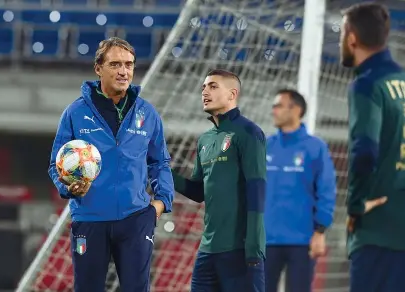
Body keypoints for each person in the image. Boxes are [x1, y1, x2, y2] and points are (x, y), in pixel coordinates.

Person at [47, 37, 174, 292]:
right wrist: (68, 187)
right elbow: (55, 165)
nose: (124, 71)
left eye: (129, 65)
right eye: (115, 64)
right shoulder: (75, 113)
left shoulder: (147, 113)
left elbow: (160, 162)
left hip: (136, 219)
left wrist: (161, 203)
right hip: (90, 218)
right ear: (98, 68)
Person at [339, 3, 405, 292]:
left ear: (352, 39)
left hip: (380, 232)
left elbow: (365, 151)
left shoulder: (368, 85)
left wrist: (356, 206)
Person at [172, 69, 266, 292]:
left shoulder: (248, 132)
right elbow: (197, 192)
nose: (205, 91)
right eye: (204, 87)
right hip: (207, 250)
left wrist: (253, 245)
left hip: (240, 249)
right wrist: (160, 173)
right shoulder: (205, 139)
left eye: (213, 86)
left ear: (232, 94)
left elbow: (257, 189)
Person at [264, 89, 337, 292]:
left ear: (296, 110)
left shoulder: (316, 148)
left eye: (278, 105)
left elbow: (326, 190)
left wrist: (320, 231)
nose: (274, 111)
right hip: (265, 239)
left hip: (302, 240)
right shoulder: (264, 146)